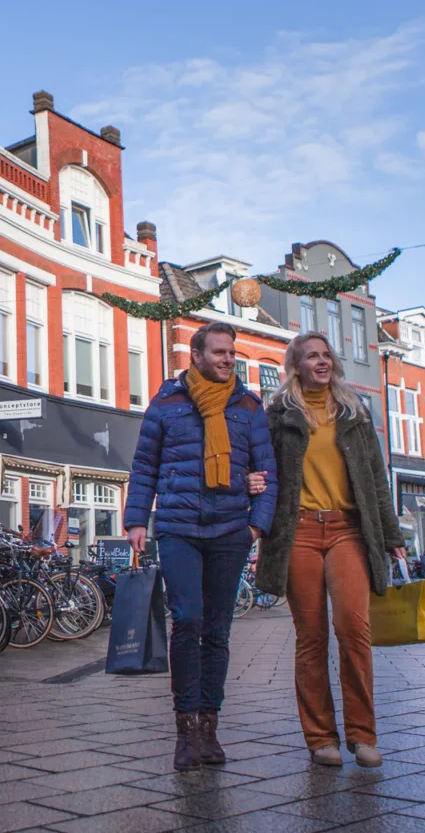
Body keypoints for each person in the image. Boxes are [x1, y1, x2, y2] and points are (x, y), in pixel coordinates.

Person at [125, 321, 277, 772]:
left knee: (218, 631)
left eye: (231, 352)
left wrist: (256, 526)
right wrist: (136, 519)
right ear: (195, 356)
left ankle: (209, 727)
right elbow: (144, 464)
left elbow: (267, 473)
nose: (228, 359)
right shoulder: (167, 403)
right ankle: (185, 731)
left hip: (231, 530)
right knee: (187, 620)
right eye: (219, 352)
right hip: (178, 527)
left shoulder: (249, 407)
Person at [256, 332, 406, 769]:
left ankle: (363, 734)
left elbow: (377, 481)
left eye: (326, 355)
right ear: (296, 366)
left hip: (348, 532)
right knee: (311, 637)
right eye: (311, 356)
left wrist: (393, 537)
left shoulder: (355, 413)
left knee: (354, 630)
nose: (321, 361)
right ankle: (321, 737)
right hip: (298, 533)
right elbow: (262, 469)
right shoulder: (278, 416)